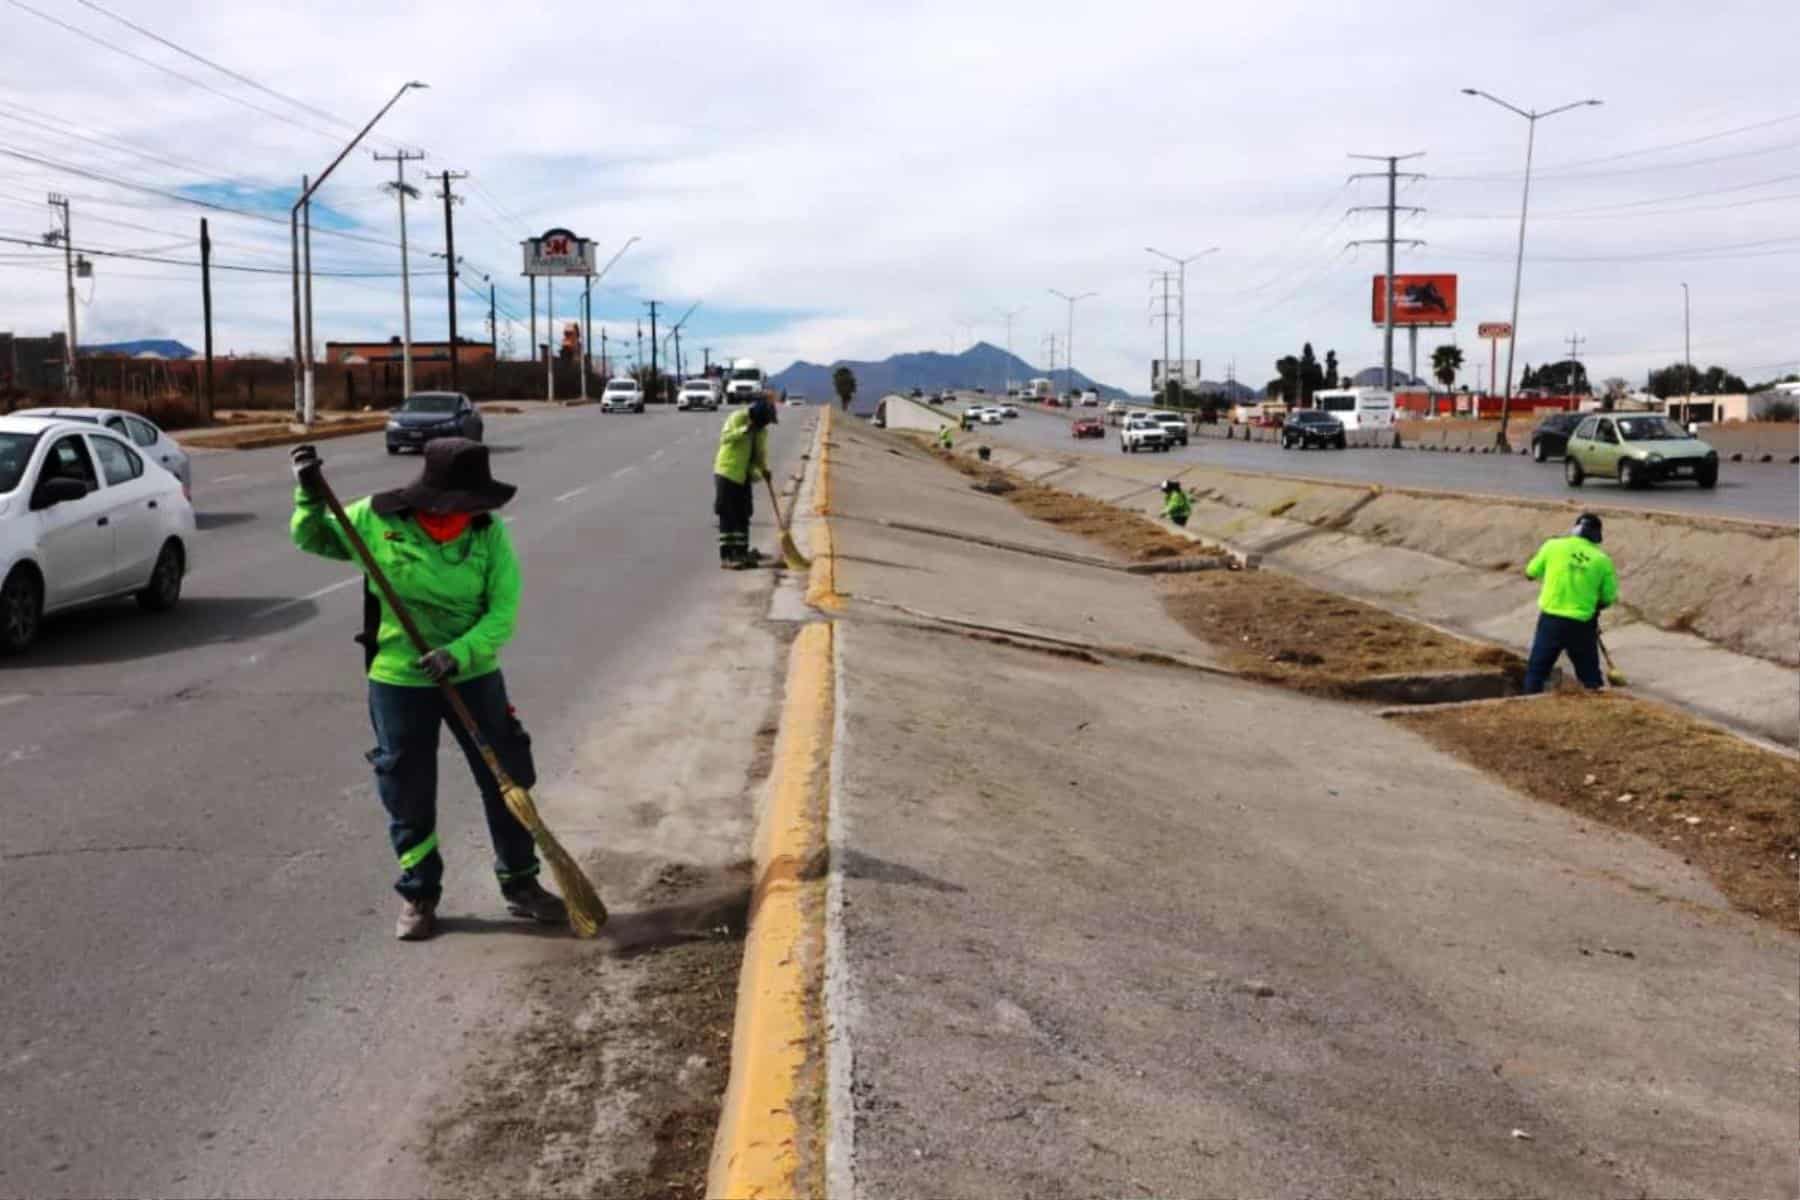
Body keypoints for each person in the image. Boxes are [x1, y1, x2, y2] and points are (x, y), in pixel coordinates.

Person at [290, 438, 566, 942]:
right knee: (407, 785)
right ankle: (420, 892)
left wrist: (457, 653)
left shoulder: (488, 533)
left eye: (472, 506)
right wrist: (308, 494)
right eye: (456, 506)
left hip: (473, 673)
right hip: (400, 678)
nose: (464, 515)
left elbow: (503, 611)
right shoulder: (376, 518)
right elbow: (313, 537)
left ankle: (521, 882)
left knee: (506, 776)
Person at [1522, 512, 1618, 694]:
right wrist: (1594, 606)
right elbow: (1608, 598)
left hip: (1551, 621)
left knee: (1536, 671)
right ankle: (1595, 702)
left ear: (1575, 530)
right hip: (1582, 624)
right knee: (1590, 676)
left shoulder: (1552, 546)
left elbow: (1530, 572)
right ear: (1597, 535)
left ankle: (1529, 700)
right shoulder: (1602, 560)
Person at [714, 396, 776, 569]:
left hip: (744, 475)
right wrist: (744, 430)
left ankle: (741, 552)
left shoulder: (761, 431)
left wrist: (764, 470)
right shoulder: (737, 418)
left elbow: (759, 453)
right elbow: (725, 438)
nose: (765, 425)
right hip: (727, 472)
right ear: (756, 417)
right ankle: (727, 556)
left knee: (743, 514)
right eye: (764, 422)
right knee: (727, 514)